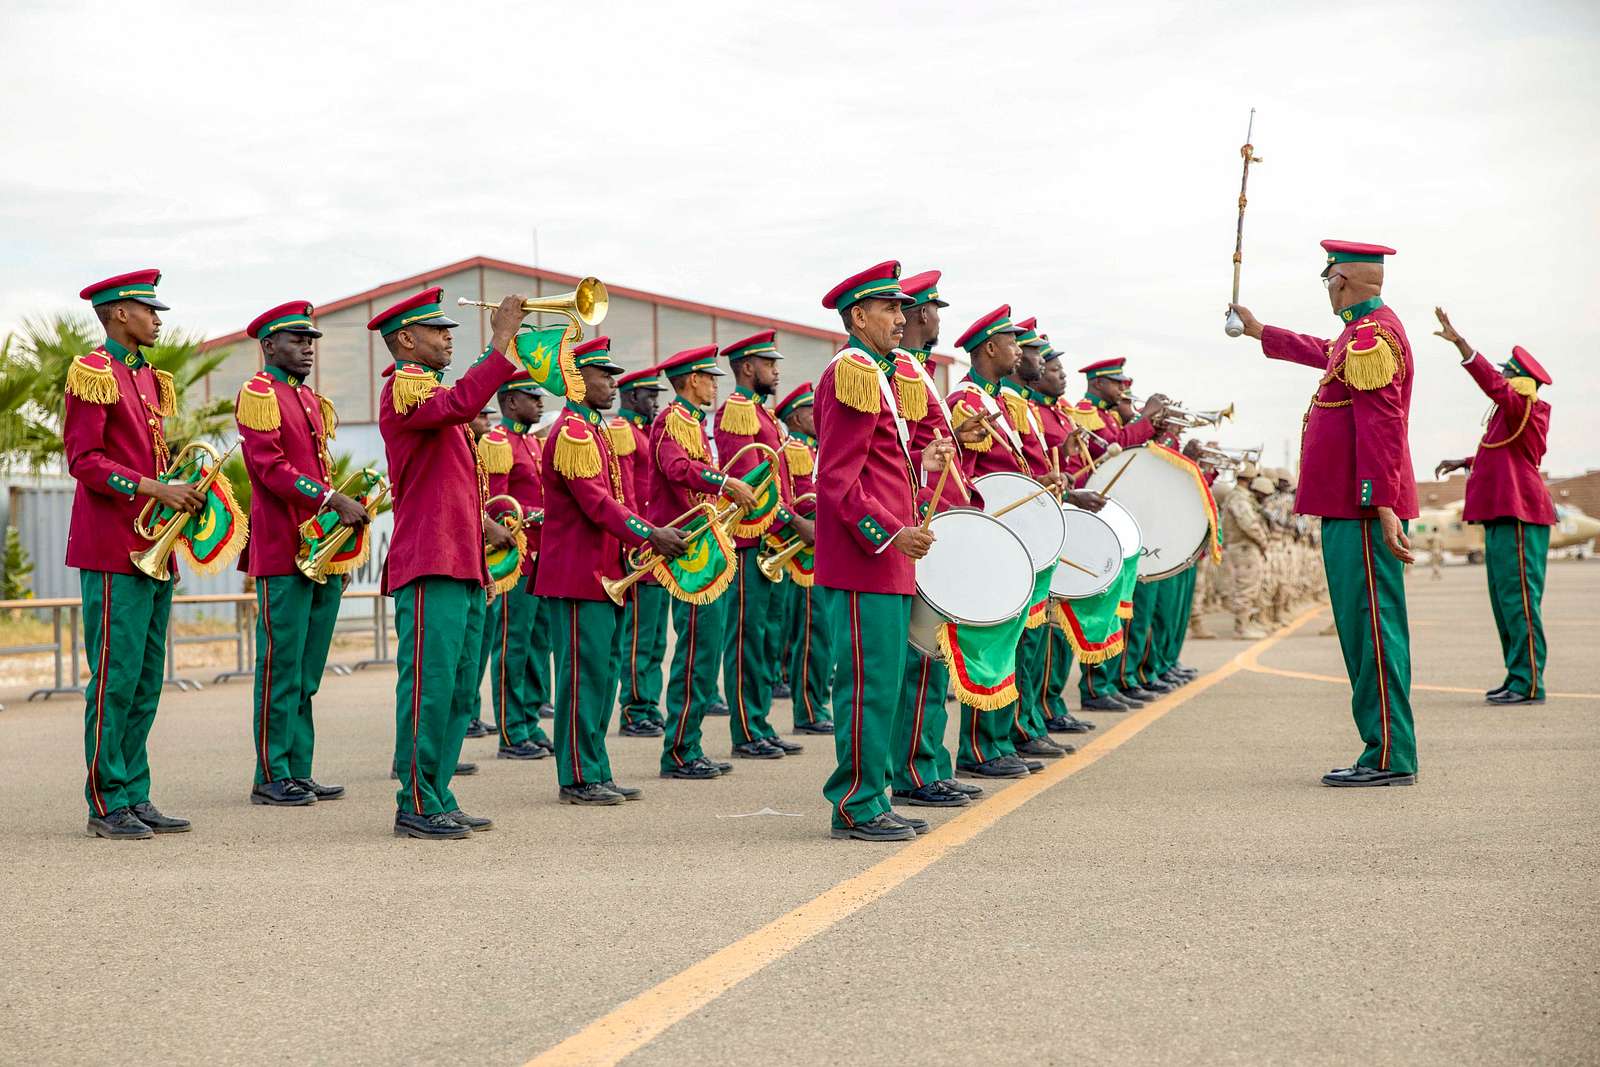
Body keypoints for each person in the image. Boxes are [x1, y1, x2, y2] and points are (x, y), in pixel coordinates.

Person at [1230, 239, 1419, 788]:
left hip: (1359, 508)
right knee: (1364, 632)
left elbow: (1382, 423)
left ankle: (1389, 755)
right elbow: (1322, 350)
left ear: (1345, 280)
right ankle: (1383, 748)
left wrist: (1381, 502)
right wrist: (1262, 331)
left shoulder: (1371, 336)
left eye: (1329, 278)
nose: (1327, 287)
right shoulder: (1360, 333)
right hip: (1351, 506)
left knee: (1373, 633)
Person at [816, 260, 963, 841]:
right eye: (890, 308)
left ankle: (873, 793)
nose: (902, 319)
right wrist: (889, 533)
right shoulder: (851, 370)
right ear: (859, 315)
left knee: (887, 682)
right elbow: (836, 480)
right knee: (866, 682)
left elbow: (880, 470)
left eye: (903, 308)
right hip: (864, 559)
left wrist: (924, 473)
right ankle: (855, 803)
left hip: (889, 558)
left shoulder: (879, 373)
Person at [373, 286, 526, 839]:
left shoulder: (438, 398)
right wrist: (502, 338)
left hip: (461, 562)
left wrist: (483, 540)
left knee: (461, 688)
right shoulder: (407, 389)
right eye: (439, 331)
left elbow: (452, 487)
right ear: (407, 340)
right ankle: (415, 800)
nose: (448, 339)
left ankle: (437, 792)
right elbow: (462, 402)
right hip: (429, 563)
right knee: (430, 686)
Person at [65, 269, 201, 839]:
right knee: (115, 677)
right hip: (111, 546)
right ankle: (106, 800)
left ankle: (135, 792)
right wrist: (153, 489)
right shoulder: (93, 373)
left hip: (153, 547)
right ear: (120, 313)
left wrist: (185, 488)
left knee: (145, 678)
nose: (157, 318)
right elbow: (85, 461)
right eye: (149, 310)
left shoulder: (147, 378)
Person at [535, 335, 687, 805]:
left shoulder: (595, 429)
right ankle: (578, 776)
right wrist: (650, 533)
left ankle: (595, 768)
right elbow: (598, 504)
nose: (613, 382)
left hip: (605, 571)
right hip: (579, 575)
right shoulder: (573, 432)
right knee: (582, 678)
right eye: (604, 374)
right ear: (577, 381)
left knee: (601, 675)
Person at [234, 300, 368, 807]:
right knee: (280, 665)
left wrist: (338, 551)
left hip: (318, 551)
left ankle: (297, 768)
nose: (308, 347)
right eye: (296, 339)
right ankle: (270, 775)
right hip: (281, 549)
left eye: (311, 339)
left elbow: (322, 470)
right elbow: (268, 467)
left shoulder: (309, 399)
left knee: (308, 668)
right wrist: (331, 499)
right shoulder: (259, 392)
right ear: (268, 346)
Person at [886, 271, 983, 808]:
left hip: (942, 527)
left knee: (932, 656)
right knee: (920, 658)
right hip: (925, 528)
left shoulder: (917, 373)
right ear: (922, 313)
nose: (937, 319)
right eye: (935, 310)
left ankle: (929, 764)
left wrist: (956, 439)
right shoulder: (901, 372)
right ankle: (916, 771)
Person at [1431, 311, 1557, 705]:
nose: (1502, 378)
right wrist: (1464, 462)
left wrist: (1462, 345)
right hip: (1503, 515)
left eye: (1508, 374)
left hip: (1520, 515)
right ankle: (1516, 674)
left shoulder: (1524, 407)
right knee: (1505, 602)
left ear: (1518, 379)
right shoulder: (1510, 414)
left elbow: (1493, 386)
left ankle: (1529, 682)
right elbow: (1498, 455)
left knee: (1519, 600)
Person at [651, 345, 760, 779]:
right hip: (687, 548)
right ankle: (679, 750)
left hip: (705, 543)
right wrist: (725, 481)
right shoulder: (671, 420)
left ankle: (689, 743)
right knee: (695, 650)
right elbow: (676, 468)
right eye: (709, 377)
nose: (716, 384)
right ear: (691, 380)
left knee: (706, 649)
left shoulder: (691, 422)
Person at [714, 330, 807, 759]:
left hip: (772, 541)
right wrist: (795, 523)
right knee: (748, 640)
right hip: (752, 538)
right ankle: (746, 730)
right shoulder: (737, 411)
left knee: (768, 639)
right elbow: (754, 485)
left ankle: (761, 722)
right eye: (769, 364)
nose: (776, 371)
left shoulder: (760, 412)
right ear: (748, 368)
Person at [477, 375, 555, 759]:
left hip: (540, 554)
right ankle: (512, 731)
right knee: (513, 644)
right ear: (509, 402)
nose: (539, 403)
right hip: (515, 557)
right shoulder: (497, 442)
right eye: (531, 397)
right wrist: (548, 516)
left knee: (539, 644)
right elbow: (497, 507)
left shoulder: (528, 441)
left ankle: (530, 721)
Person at [773, 381, 836, 736]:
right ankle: (809, 710)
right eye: (812, 411)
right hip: (805, 553)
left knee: (823, 635)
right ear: (797, 417)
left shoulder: (815, 449)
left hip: (821, 550)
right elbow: (800, 498)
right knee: (813, 635)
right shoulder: (795, 448)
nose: (819, 416)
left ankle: (815, 704)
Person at [609, 365, 669, 737]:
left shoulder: (646, 432)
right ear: (631, 396)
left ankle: (648, 702)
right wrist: (638, 540)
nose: (656, 402)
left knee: (656, 637)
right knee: (638, 638)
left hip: (656, 546)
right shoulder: (622, 432)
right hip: (641, 547)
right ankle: (634, 708)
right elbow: (625, 495)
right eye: (650, 395)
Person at [462, 405, 501, 742]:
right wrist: (492, 527)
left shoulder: (479, 447)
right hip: (473, 555)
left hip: (482, 561)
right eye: (482, 416)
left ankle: (468, 716)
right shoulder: (498, 446)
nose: (487, 423)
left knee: (475, 650)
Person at [1222, 476, 1274, 639]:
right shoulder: (1239, 498)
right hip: (1243, 548)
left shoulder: (1241, 498)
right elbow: (1249, 524)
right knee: (1246, 587)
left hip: (1245, 547)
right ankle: (1241, 628)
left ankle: (1246, 623)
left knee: (1251, 587)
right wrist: (1263, 541)